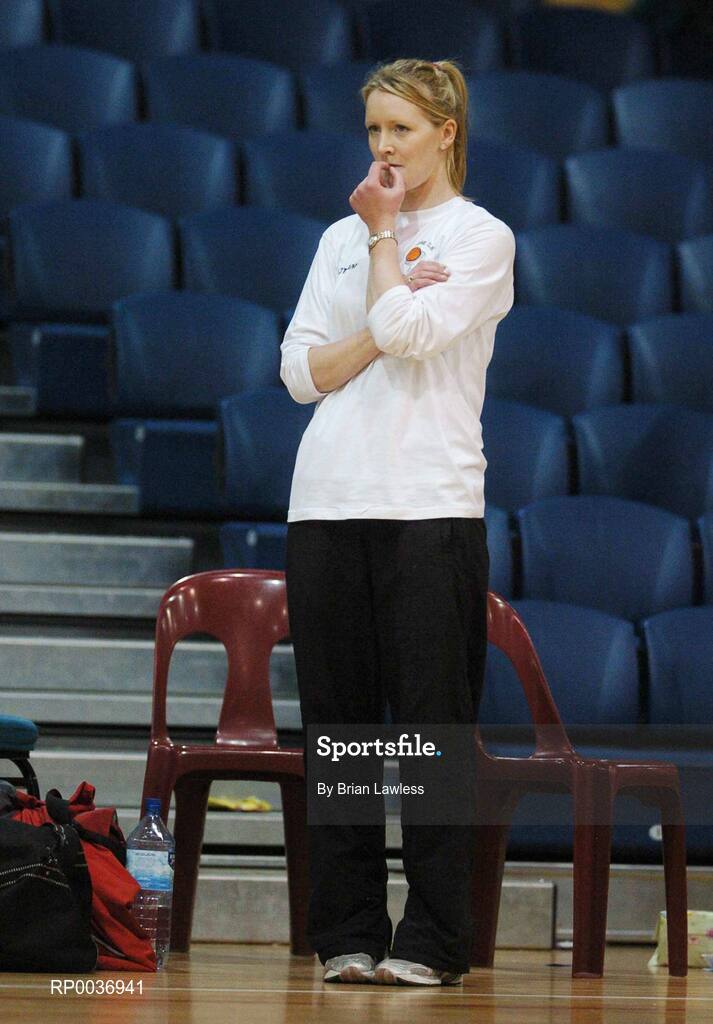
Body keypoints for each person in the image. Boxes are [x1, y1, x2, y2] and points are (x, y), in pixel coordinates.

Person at [280, 57, 515, 987]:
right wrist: (379, 305)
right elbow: (299, 372)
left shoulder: (480, 236)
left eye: (401, 131)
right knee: (339, 732)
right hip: (327, 499)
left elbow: (414, 336)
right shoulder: (338, 236)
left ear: (445, 132)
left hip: (429, 505)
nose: (382, 148)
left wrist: (385, 254)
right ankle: (346, 929)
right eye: (373, 129)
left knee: (427, 732)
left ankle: (432, 938)